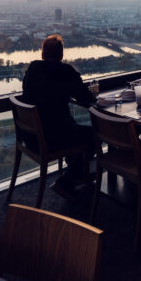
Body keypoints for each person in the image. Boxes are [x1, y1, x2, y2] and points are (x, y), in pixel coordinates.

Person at [21, 34, 96, 200]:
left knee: (72, 124)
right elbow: (86, 98)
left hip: (31, 137)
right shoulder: (66, 72)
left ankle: (77, 172)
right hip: (52, 139)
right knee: (93, 135)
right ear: (61, 55)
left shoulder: (32, 69)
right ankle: (68, 180)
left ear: (42, 54)